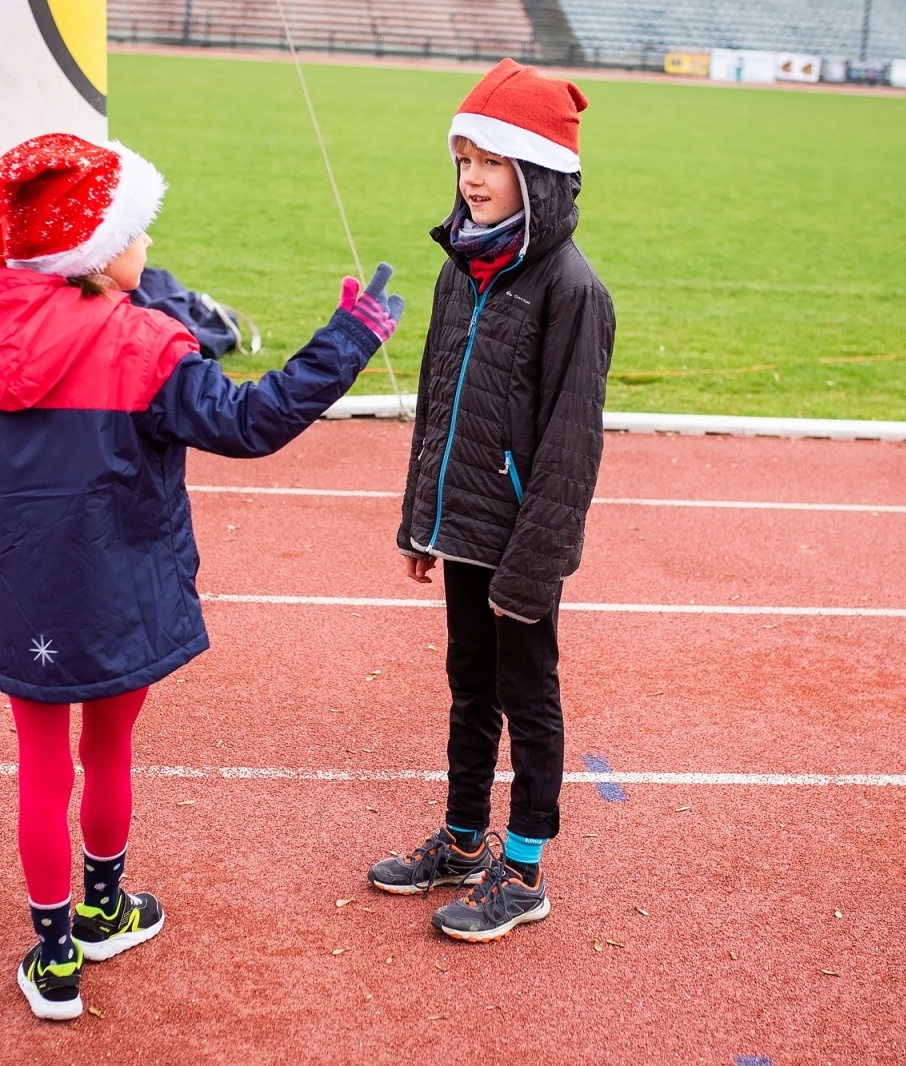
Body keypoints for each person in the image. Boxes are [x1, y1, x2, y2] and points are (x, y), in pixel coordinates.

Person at [0, 133, 404, 1019]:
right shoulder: (145, 342)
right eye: (138, 233)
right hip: (120, 596)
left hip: (23, 595)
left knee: (41, 765)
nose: (149, 248)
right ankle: (105, 907)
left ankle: (54, 960)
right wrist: (347, 341)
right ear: (100, 249)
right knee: (106, 746)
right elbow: (249, 422)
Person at [369, 59, 615, 942]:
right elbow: (438, 402)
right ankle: (464, 840)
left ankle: (524, 870)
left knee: (528, 694)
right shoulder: (459, 270)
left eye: (491, 163)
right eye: (462, 160)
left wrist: (533, 567)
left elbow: (570, 447)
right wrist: (419, 519)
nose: (470, 179)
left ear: (536, 175)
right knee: (468, 683)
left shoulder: (572, 290)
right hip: (463, 525)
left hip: (520, 544)